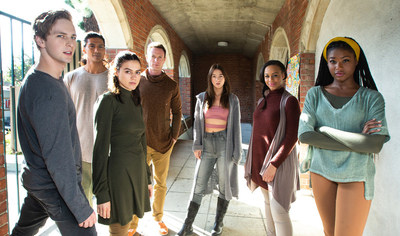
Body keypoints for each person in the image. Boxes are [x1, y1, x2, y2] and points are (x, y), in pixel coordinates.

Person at [11, 10, 97, 235]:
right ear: (40, 40)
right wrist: (80, 207)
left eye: (72, 37)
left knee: (24, 231)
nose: (69, 43)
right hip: (54, 188)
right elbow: (57, 158)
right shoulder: (49, 91)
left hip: (38, 181)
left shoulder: (38, 78)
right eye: (60, 36)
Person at [298, 37, 390, 236]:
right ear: (327, 63)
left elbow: (374, 144)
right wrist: (358, 139)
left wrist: (324, 131)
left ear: (356, 61)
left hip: (356, 174)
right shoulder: (315, 94)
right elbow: (305, 135)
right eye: (333, 61)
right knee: (329, 232)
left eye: (345, 60)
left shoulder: (371, 98)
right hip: (321, 170)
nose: (338, 66)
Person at [177, 64, 242, 236]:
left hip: (224, 144)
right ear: (210, 78)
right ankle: (187, 226)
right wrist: (197, 145)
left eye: (221, 76)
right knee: (198, 185)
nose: (218, 79)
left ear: (225, 78)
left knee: (223, 184)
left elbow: (236, 127)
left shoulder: (233, 99)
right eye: (214, 76)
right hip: (206, 144)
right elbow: (198, 124)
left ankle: (217, 225)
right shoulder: (202, 98)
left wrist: (237, 152)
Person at [92, 51, 152, 236]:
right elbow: (100, 150)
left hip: (137, 171)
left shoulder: (136, 100)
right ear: (116, 72)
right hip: (118, 175)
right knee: (119, 227)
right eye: (128, 71)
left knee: (131, 224)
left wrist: (148, 177)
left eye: (137, 72)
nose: (134, 77)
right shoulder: (108, 101)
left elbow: (142, 141)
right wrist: (101, 193)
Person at [244, 60, 300, 236]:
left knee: (280, 211)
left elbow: (292, 137)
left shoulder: (289, 101)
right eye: (267, 76)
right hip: (260, 160)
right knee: (267, 204)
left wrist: (274, 164)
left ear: (284, 75)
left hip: (277, 163)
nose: (271, 79)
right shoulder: (263, 100)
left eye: (275, 75)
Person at [136, 42, 182, 235]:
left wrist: (174, 137)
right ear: (147, 57)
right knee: (137, 183)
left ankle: (158, 219)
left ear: (164, 60)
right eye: (153, 56)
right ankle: (133, 224)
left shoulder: (171, 85)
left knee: (160, 183)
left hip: (163, 144)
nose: (156, 60)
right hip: (140, 143)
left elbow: (178, 112)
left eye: (159, 57)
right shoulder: (137, 81)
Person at [64, 32, 108, 207]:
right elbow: (64, 114)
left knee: (110, 204)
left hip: (108, 152)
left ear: (105, 50)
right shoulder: (71, 78)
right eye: (92, 46)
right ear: (84, 49)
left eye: (100, 46)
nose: (96, 50)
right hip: (81, 151)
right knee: (84, 202)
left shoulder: (114, 79)